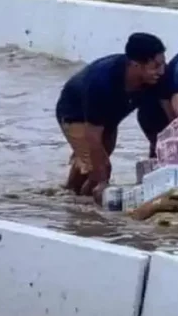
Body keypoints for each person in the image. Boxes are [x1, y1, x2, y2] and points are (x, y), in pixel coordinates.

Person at [55, 33, 167, 199]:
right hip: (76, 115)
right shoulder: (102, 82)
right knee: (100, 167)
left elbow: (156, 118)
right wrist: (103, 181)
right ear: (135, 65)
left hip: (108, 118)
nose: (162, 71)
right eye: (156, 66)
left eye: (163, 64)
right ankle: (83, 204)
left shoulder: (156, 79)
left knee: (97, 162)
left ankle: (71, 194)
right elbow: (92, 136)